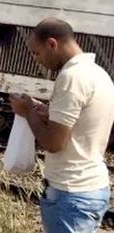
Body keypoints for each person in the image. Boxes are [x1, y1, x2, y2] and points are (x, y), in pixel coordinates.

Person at [9, 18, 114, 233]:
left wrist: (27, 111)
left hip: (71, 192)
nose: (37, 61)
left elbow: (54, 143)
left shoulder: (71, 77)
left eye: (37, 53)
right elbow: (84, 125)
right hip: (90, 186)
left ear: (52, 44)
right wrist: (48, 114)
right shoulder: (99, 74)